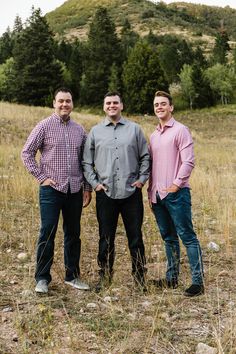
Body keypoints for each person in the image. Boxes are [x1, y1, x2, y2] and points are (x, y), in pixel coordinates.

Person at [21, 87, 92, 294]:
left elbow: (85, 162)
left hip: (75, 190)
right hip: (51, 190)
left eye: (68, 101)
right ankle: (42, 278)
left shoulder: (79, 130)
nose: (64, 105)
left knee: (73, 233)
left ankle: (72, 276)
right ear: (54, 103)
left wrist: (87, 188)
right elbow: (26, 153)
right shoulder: (44, 126)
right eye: (60, 101)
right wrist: (41, 178)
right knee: (47, 232)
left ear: (72, 104)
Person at [82, 91, 150, 292]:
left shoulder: (135, 130)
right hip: (106, 193)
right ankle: (105, 277)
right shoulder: (94, 132)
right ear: (104, 107)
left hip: (131, 193)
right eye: (108, 103)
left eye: (115, 102)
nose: (112, 106)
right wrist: (95, 184)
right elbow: (86, 162)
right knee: (105, 237)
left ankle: (139, 278)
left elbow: (146, 157)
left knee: (135, 237)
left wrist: (141, 180)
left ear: (122, 106)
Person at [148, 90, 204, 297]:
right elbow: (152, 166)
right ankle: (171, 278)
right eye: (156, 105)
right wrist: (150, 192)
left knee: (187, 237)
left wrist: (176, 184)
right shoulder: (153, 135)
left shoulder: (181, 130)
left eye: (163, 104)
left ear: (171, 107)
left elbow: (188, 161)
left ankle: (198, 282)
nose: (159, 107)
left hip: (177, 194)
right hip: (157, 196)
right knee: (169, 238)